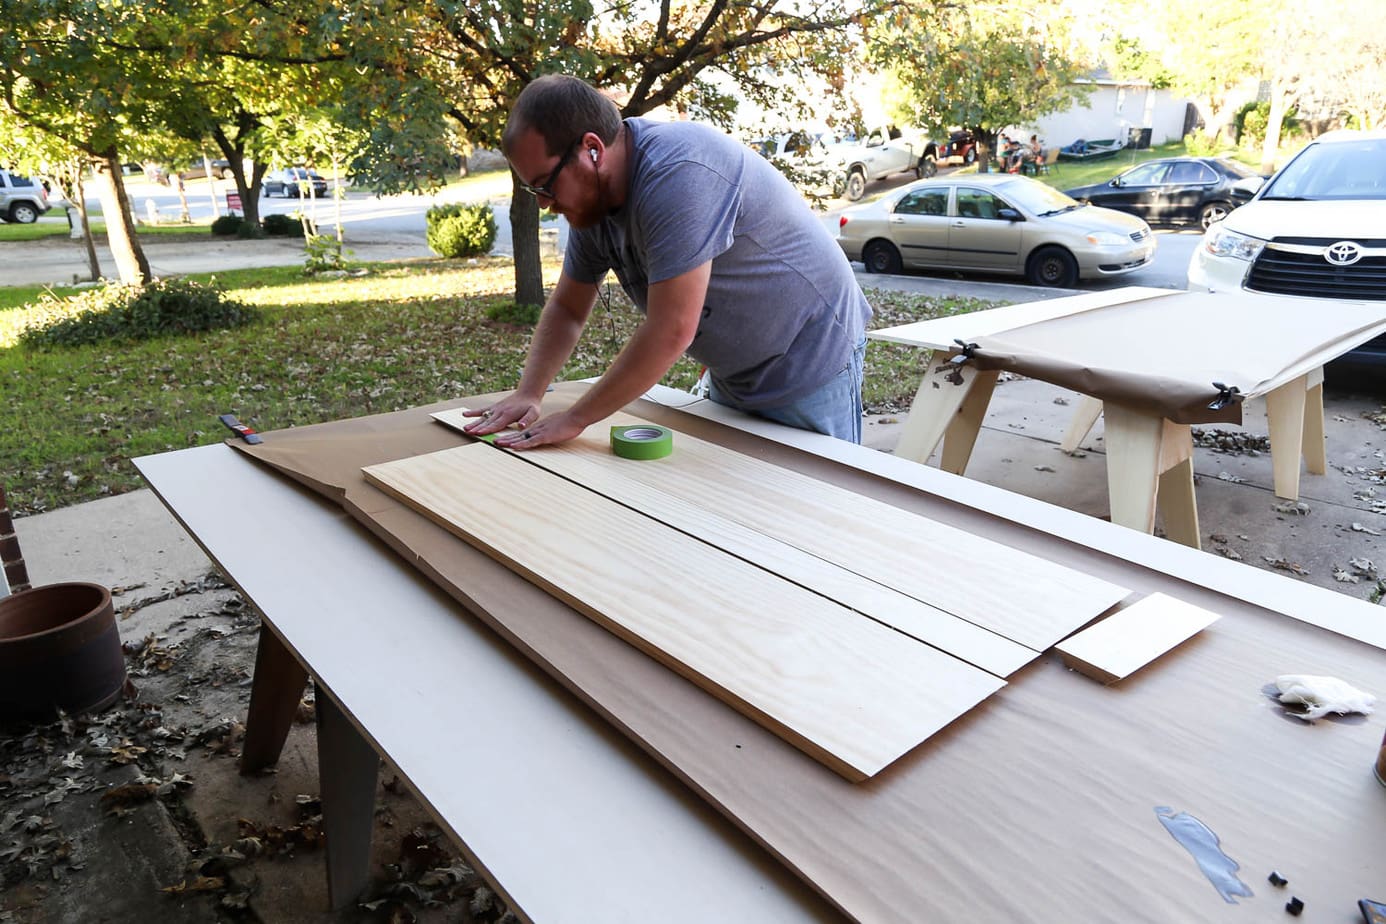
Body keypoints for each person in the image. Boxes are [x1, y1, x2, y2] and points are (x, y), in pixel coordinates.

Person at [464, 75, 872, 448]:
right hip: (737, 372)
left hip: (811, 358)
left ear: (592, 149)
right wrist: (529, 392)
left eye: (546, 185)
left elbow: (672, 329)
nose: (544, 203)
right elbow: (570, 308)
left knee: (815, 510)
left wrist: (575, 419)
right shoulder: (592, 202)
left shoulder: (679, 174)